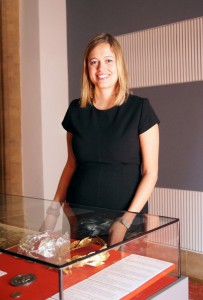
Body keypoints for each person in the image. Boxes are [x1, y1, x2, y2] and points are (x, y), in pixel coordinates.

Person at [52, 33, 159, 244]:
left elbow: (150, 172)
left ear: (119, 64)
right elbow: (71, 165)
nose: (101, 68)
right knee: (82, 275)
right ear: (87, 68)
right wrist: (52, 212)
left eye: (108, 60)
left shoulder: (140, 108)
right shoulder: (76, 110)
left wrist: (125, 221)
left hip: (126, 221)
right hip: (80, 217)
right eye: (94, 62)